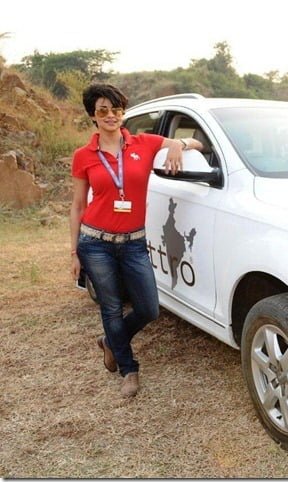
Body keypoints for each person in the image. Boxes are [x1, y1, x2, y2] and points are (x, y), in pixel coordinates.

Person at [69, 84, 203, 398]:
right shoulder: (83, 156)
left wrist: (177, 145)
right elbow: (77, 205)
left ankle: (110, 341)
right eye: (102, 110)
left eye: (116, 110)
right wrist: (74, 251)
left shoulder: (144, 143)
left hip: (133, 242)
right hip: (95, 242)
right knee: (112, 307)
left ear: (122, 113)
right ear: (93, 115)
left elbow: (196, 140)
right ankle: (129, 368)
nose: (110, 116)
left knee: (149, 308)